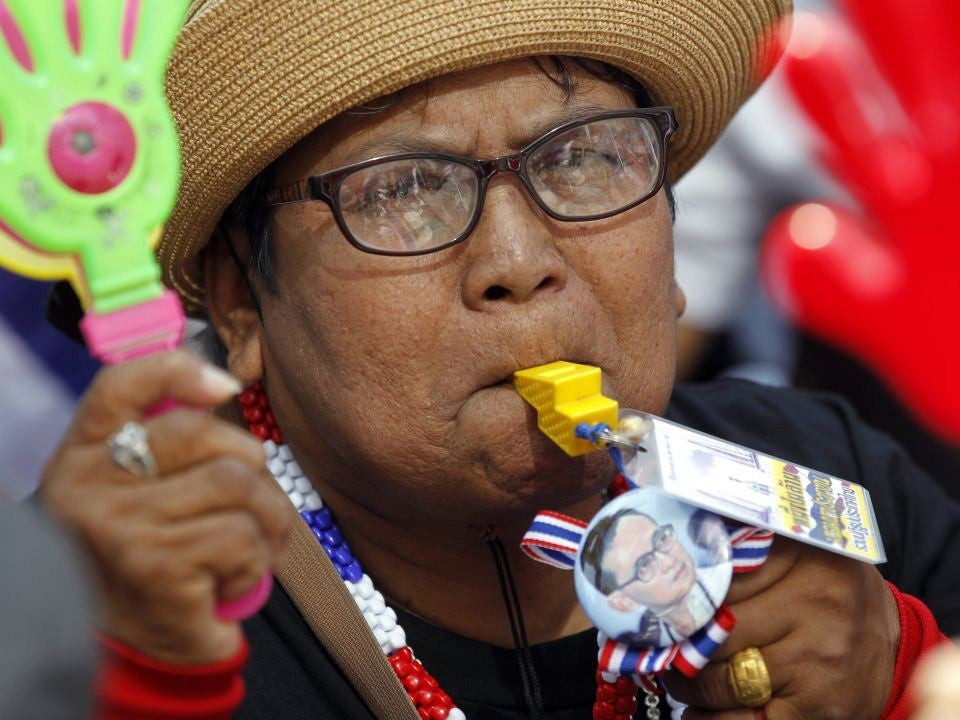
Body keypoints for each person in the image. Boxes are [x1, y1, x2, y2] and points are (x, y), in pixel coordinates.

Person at [30, 0, 959, 719]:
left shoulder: (836, 482)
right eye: (401, 188)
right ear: (240, 299)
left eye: (587, 157)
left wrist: (904, 668)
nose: (519, 263)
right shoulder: (121, 591)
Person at [581, 508, 731, 645]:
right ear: (624, 602)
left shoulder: (731, 575)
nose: (669, 561)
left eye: (661, 539)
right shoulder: (644, 652)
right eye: (644, 565)